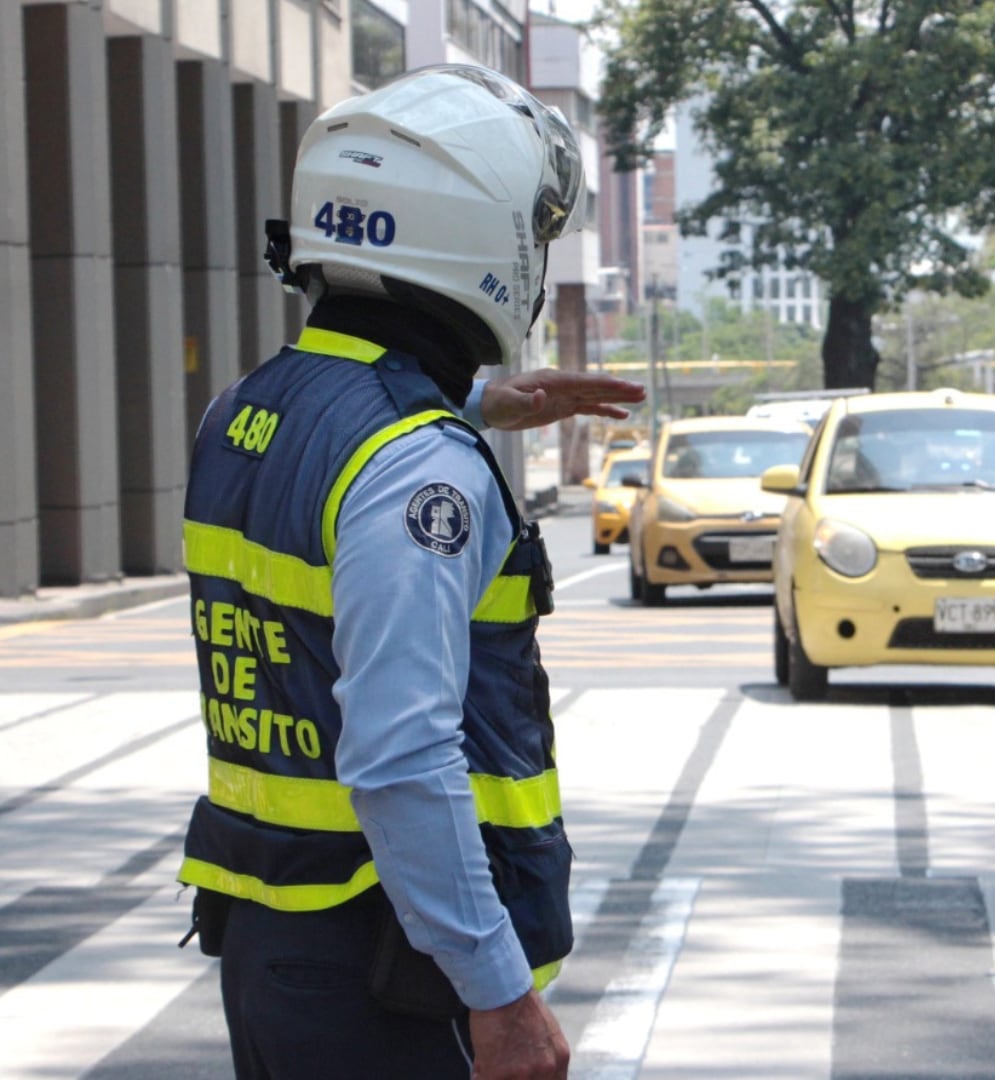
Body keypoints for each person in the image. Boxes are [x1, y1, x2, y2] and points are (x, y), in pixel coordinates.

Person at [175, 65, 644, 1079]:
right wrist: (499, 991)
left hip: (270, 936)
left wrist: (472, 409)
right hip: (385, 967)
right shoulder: (418, 468)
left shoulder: (244, 411)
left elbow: (340, 465)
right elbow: (401, 757)